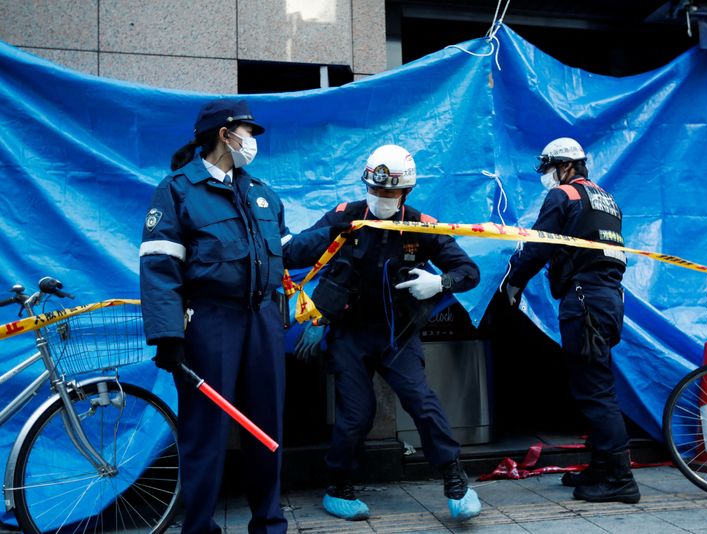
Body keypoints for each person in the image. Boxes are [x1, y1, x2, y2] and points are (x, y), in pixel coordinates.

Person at [139, 99, 332, 534]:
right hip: (211, 322)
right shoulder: (177, 190)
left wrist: (335, 228)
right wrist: (167, 335)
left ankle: (269, 523)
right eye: (247, 131)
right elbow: (159, 265)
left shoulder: (260, 191)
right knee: (204, 432)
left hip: (263, 319)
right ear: (224, 135)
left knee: (267, 426)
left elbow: (285, 251)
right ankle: (201, 528)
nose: (252, 140)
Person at [293, 144, 482, 522]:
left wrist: (440, 281)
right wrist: (333, 234)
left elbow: (469, 271)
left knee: (422, 403)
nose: (380, 198)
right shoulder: (346, 216)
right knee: (356, 415)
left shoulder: (420, 225)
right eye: (374, 190)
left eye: (389, 192)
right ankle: (338, 486)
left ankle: (455, 480)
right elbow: (294, 252)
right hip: (349, 333)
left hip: (399, 334)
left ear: (405, 192)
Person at [505, 137, 640, 504]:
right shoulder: (606, 199)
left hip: (585, 303)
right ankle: (602, 466)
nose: (547, 177)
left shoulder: (564, 195)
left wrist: (515, 279)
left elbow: (539, 243)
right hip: (609, 300)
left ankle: (619, 479)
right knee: (596, 382)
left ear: (565, 166)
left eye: (549, 169)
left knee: (595, 391)